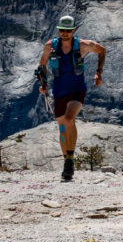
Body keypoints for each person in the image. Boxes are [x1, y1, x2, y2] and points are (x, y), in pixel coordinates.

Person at [35, 15, 106, 181]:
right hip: (59, 91)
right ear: (58, 30)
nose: (65, 33)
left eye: (68, 30)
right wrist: (43, 83)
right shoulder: (50, 47)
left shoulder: (82, 45)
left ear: (74, 30)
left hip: (77, 90)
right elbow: (42, 65)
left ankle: (70, 159)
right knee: (61, 128)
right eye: (62, 30)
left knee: (68, 120)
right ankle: (67, 161)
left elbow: (102, 50)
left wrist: (98, 72)